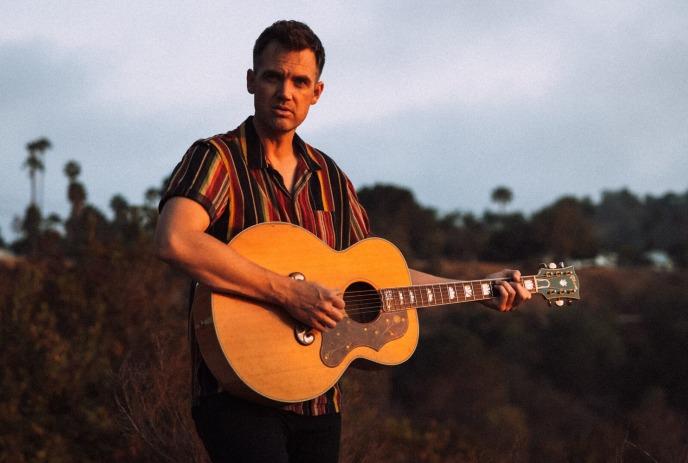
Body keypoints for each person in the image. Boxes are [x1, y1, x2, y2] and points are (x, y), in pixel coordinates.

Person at [155, 20, 531, 463]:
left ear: (317, 92)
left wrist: (481, 289)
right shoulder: (217, 158)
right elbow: (175, 240)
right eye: (274, 77)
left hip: (318, 397)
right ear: (252, 81)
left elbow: (377, 276)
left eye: (300, 82)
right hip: (236, 390)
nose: (286, 92)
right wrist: (291, 292)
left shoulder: (330, 178)